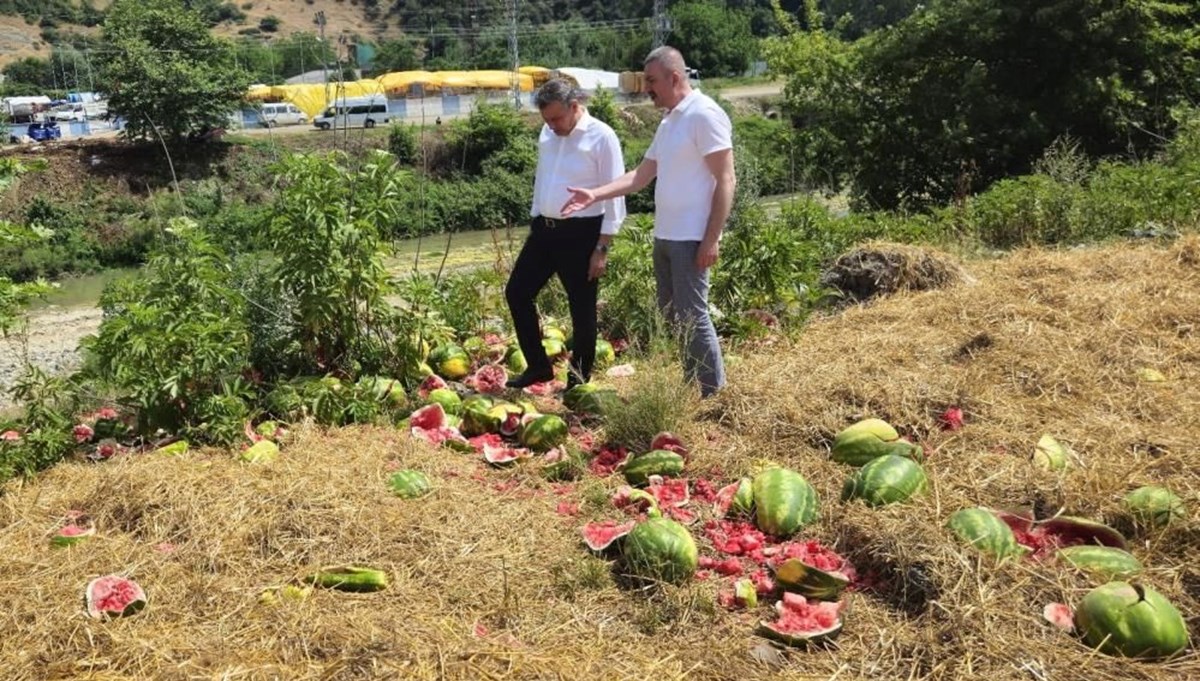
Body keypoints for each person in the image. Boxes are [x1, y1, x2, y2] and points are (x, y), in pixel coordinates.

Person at [561, 46, 735, 397]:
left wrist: (712, 238)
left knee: (693, 317)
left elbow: (726, 179)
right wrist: (596, 194)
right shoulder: (671, 120)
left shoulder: (704, 114)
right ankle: (694, 385)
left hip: (691, 236)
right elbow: (641, 176)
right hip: (666, 235)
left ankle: (714, 395)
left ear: (674, 77)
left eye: (652, 81)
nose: (647, 89)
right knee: (674, 317)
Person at [504, 78, 627, 389]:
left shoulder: (602, 136)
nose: (552, 125)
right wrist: (536, 214)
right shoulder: (548, 132)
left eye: (557, 118)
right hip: (544, 231)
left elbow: (615, 194)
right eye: (546, 119)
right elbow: (544, 177)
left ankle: (578, 379)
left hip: (582, 234)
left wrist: (602, 247)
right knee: (517, 293)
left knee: (581, 309)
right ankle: (538, 366)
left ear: (575, 107)